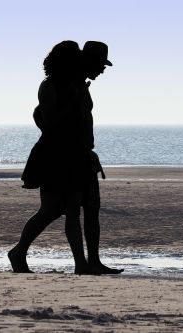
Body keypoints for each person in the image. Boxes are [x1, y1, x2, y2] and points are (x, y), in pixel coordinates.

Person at [9, 40, 122, 275]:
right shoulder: (53, 86)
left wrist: (89, 150)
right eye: (100, 64)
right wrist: (74, 100)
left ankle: (92, 262)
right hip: (59, 155)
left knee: (90, 208)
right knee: (60, 210)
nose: (102, 69)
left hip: (81, 154)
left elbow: (81, 123)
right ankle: (78, 263)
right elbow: (50, 121)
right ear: (83, 61)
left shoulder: (79, 86)